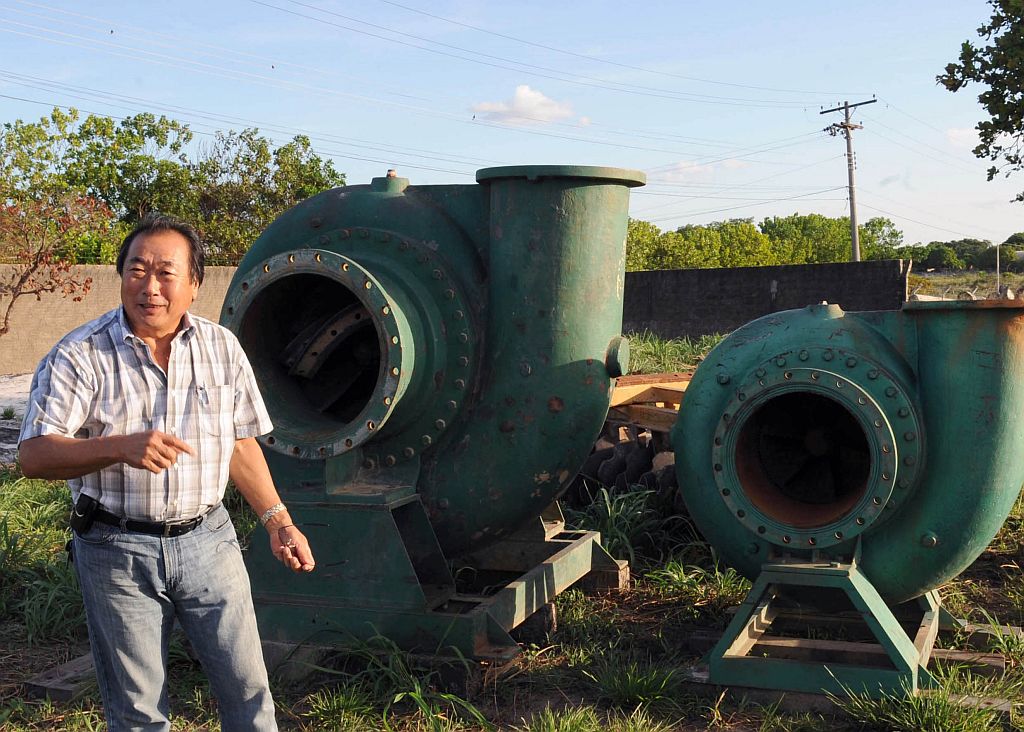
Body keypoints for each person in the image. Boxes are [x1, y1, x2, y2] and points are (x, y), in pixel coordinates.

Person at [18, 214, 314, 731]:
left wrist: (278, 520)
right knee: (138, 711)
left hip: (209, 542)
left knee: (249, 693)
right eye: (137, 270)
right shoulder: (80, 354)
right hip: (116, 548)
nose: (149, 287)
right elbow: (34, 456)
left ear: (195, 284)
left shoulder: (222, 348)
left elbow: (240, 443)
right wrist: (117, 448)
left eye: (165, 273)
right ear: (122, 276)